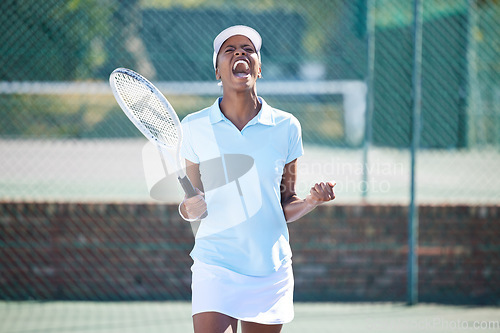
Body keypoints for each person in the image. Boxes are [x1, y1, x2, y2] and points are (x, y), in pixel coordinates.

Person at [178, 25, 336, 333]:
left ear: (259, 68)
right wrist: (191, 208)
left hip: (269, 270)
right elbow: (190, 201)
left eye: (248, 49)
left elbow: (285, 203)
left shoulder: (287, 127)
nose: (240, 53)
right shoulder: (194, 127)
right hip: (215, 264)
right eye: (230, 50)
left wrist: (312, 201)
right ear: (217, 71)